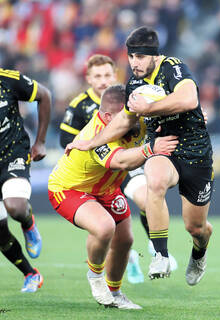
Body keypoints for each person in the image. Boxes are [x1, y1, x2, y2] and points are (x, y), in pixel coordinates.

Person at [66, 26, 214, 286]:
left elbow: (190, 99)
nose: (135, 63)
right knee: (153, 180)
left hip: (195, 150)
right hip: (163, 146)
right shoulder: (134, 82)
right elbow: (124, 119)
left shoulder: (173, 67)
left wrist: (151, 107)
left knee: (197, 229)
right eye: (131, 57)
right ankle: (161, 255)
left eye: (140, 57)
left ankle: (199, 252)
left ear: (154, 56)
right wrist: (92, 141)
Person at [49, 84, 178, 309]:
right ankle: (95, 275)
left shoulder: (136, 118)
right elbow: (120, 162)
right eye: (125, 114)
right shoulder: (96, 135)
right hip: (70, 189)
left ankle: (115, 293)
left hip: (106, 189)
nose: (132, 118)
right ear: (108, 117)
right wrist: (151, 148)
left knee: (125, 239)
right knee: (105, 227)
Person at [0, 67, 51, 292]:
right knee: (0, 232)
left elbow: (45, 95)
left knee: (15, 206)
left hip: (13, 153)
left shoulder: (8, 79)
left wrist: (40, 141)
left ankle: (28, 223)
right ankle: (31, 273)